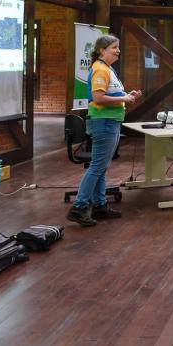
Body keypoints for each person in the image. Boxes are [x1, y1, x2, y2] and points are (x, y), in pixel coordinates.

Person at [66, 34, 142, 227]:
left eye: (118, 47)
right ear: (102, 50)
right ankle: (79, 207)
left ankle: (99, 205)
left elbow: (110, 94)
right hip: (104, 122)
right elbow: (98, 98)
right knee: (97, 166)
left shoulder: (108, 69)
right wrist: (124, 100)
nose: (117, 50)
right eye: (113, 47)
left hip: (110, 121)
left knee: (101, 166)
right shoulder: (100, 69)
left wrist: (126, 95)